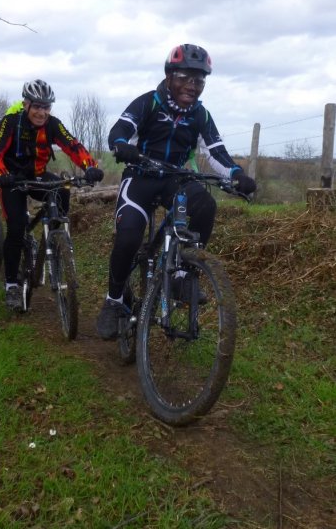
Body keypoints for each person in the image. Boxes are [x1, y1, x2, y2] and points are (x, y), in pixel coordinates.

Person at [96, 43, 257, 340]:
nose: (191, 86)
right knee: (129, 235)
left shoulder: (201, 115)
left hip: (176, 178)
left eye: (199, 80)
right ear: (170, 76)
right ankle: (114, 301)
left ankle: (183, 276)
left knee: (205, 205)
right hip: (141, 176)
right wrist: (121, 145)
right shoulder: (149, 102)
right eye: (184, 77)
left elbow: (217, 150)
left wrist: (236, 175)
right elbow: (121, 129)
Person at [0, 79, 104, 310]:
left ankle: (58, 236)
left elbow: (72, 145)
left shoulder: (52, 125)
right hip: (13, 179)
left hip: (38, 176)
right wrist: (1, 174)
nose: (42, 112)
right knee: (17, 228)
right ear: (26, 104)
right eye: (37, 106)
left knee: (62, 189)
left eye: (47, 107)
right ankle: (11, 285)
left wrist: (89, 166)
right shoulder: (11, 122)